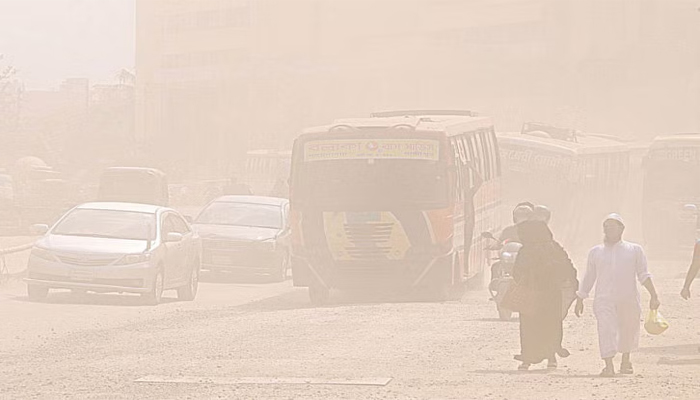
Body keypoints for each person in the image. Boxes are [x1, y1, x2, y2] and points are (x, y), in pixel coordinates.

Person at [575, 213, 660, 377]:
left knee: (628, 329)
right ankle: (608, 365)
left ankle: (625, 360)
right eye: (605, 227)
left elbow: (643, 274)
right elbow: (590, 276)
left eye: (612, 227)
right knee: (605, 329)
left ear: (621, 229)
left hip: (628, 298)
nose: (608, 230)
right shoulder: (596, 252)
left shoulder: (634, 250)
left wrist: (654, 295)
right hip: (603, 299)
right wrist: (580, 297)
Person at [512, 219, 577, 370]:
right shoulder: (554, 248)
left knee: (529, 328)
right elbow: (568, 267)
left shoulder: (526, 250)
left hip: (532, 294)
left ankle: (527, 359)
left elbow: (517, 272)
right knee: (551, 325)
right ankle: (551, 358)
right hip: (551, 294)